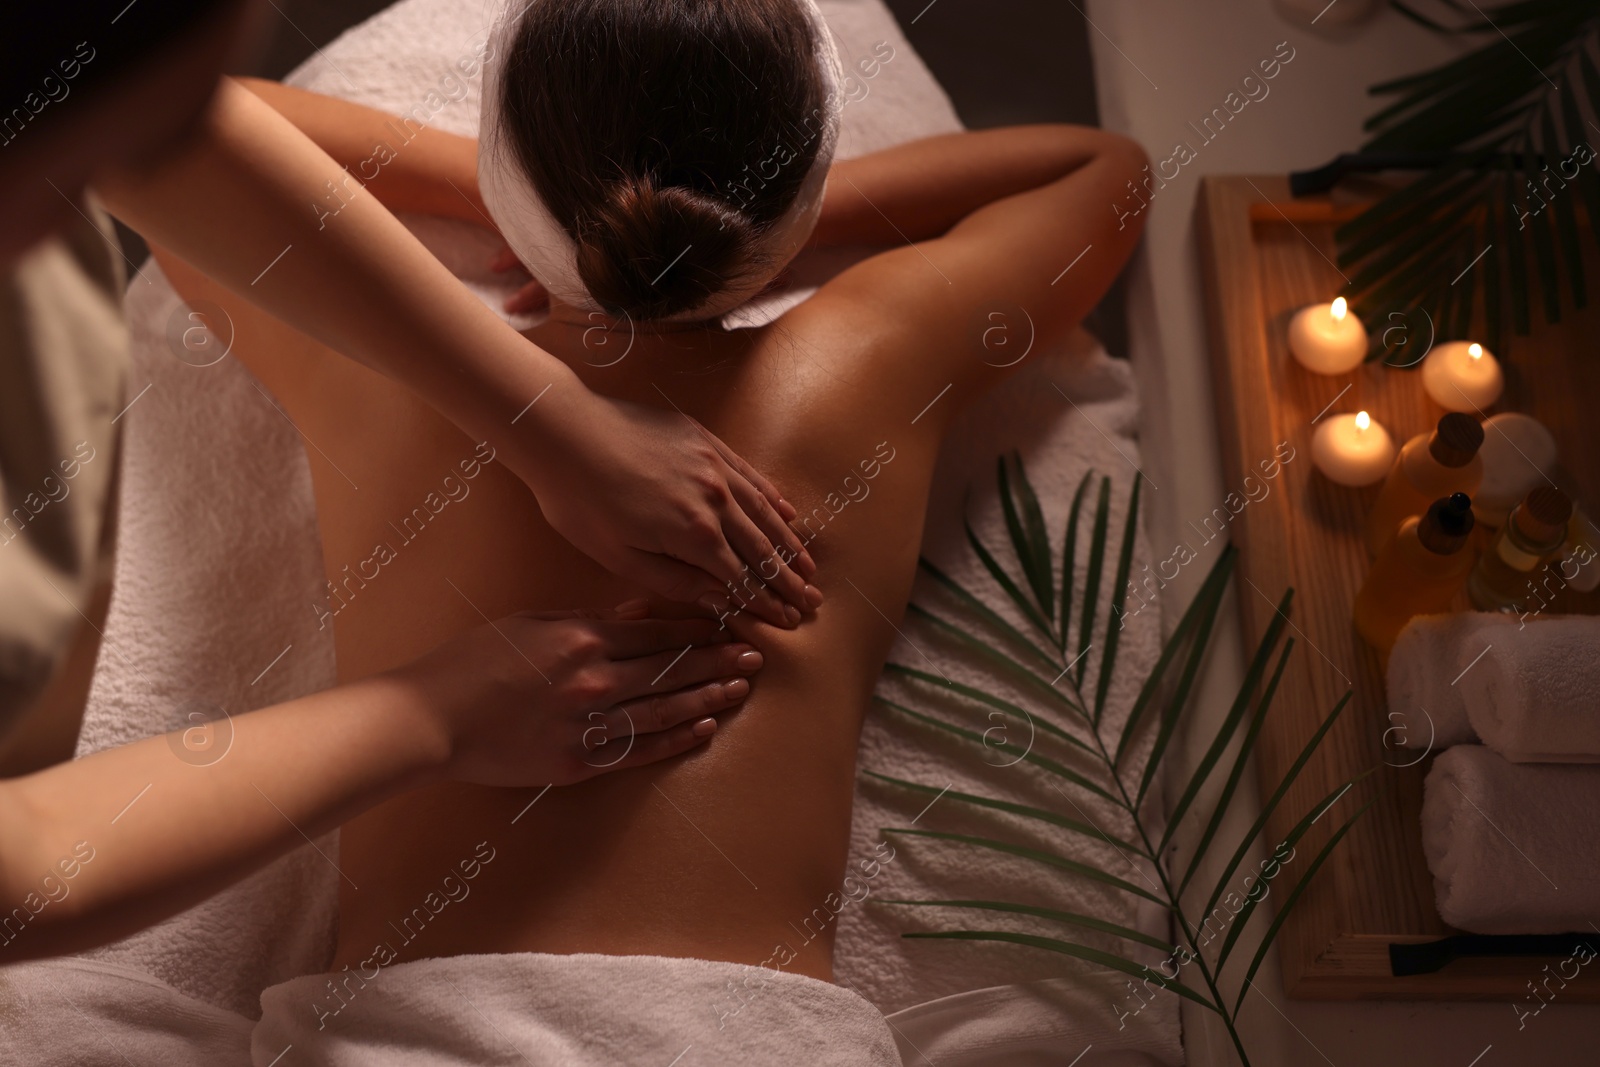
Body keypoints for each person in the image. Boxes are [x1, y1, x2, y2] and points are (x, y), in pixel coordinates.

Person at [163, 0, 1149, 1052]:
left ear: (516, 174)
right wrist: (764, 229)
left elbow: (178, 128)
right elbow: (1105, 170)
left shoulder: (381, 382)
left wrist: (537, 201)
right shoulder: (857, 368)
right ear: (792, 197)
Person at [0, 0, 824, 956]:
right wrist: (433, 715)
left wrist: (548, 402)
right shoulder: (859, 364)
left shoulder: (82, 125)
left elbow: (160, 132)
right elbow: (23, 867)